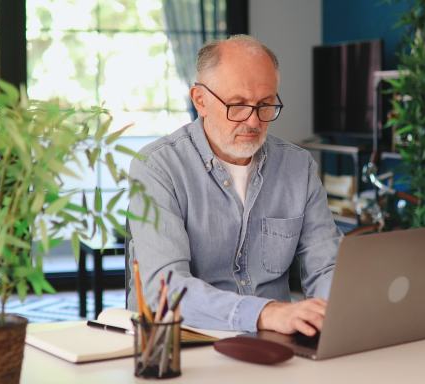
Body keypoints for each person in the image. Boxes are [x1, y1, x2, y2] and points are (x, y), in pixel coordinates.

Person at [127, 34, 341, 336]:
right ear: (200, 100)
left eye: (266, 105)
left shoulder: (298, 167)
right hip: (186, 345)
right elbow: (165, 288)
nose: (253, 121)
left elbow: (325, 267)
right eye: (238, 105)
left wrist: (336, 310)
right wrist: (264, 313)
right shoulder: (157, 167)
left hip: (275, 344)